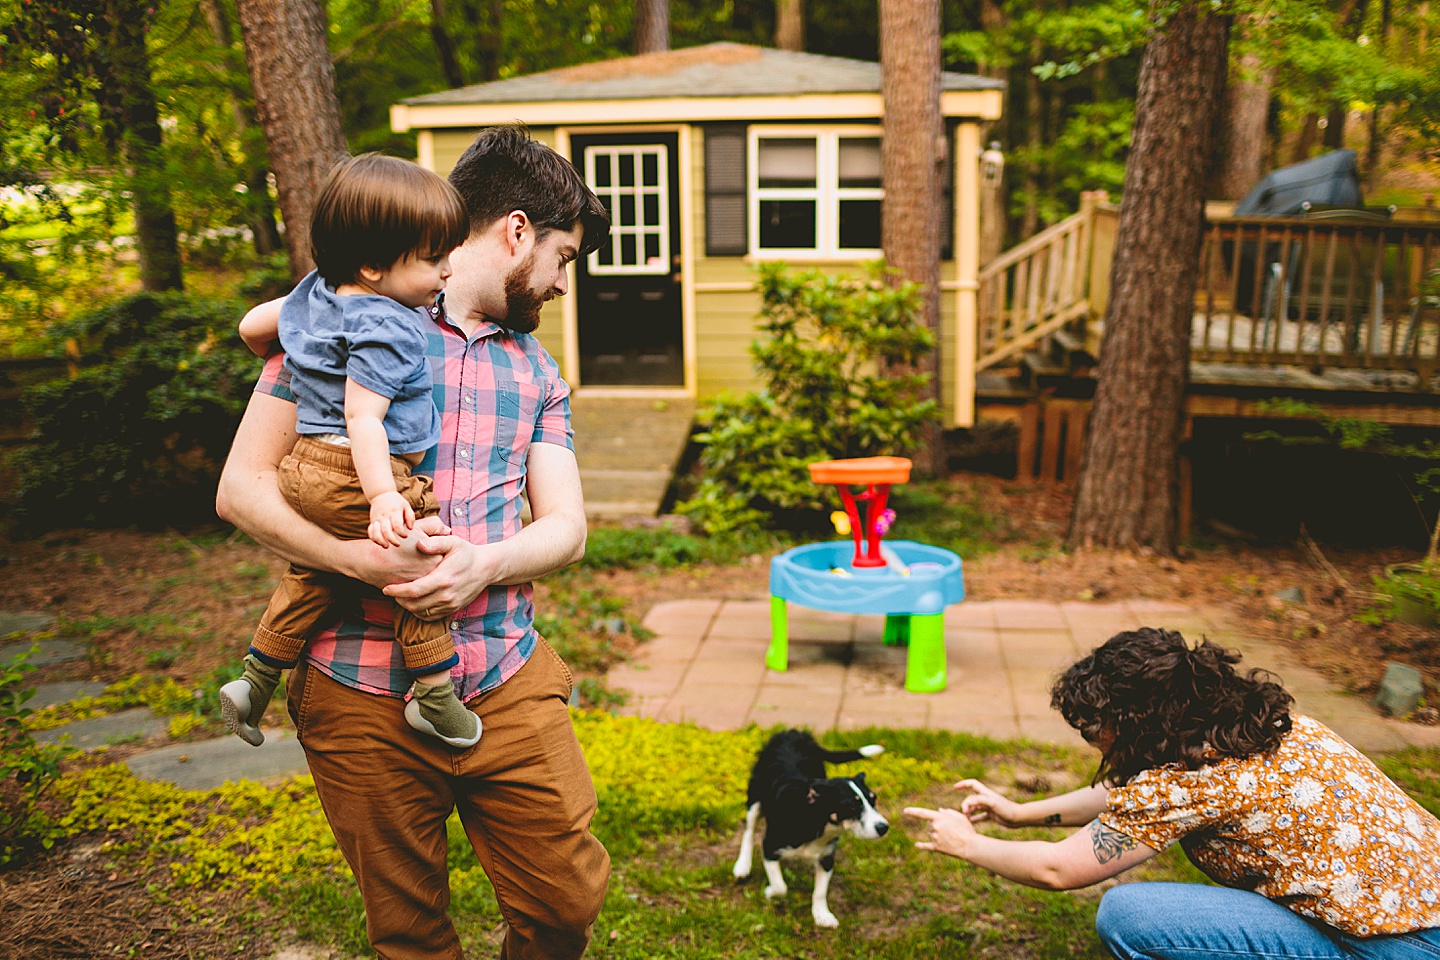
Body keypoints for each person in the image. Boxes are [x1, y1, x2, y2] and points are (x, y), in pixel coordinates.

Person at [215, 125, 611, 960]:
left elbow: (567, 527)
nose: (562, 284)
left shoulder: (539, 375)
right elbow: (240, 489)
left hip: (505, 676)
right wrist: (362, 561)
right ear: (515, 231)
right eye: (564, 257)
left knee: (564, 906)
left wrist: (484, 566)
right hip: (356, 688)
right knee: (408, 933)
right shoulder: (343, 318)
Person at [904, 627, 1440, 960]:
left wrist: (966, 844)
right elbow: (1136, 794)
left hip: (1401, 946)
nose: (1091, 739)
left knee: (1130, 915)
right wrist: (1019, 813)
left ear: (1137, 722)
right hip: (1418, 913)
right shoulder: (1261, 724)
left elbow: (1058, 870)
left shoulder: (1187, 781)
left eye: (1095, 727)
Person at [219, 152, 481, 750]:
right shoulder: (389, 324)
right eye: (433, 259)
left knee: (311, 573)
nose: (448, 271)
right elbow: (365, 416)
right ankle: (435, 697)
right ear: (371, 266)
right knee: (427, 562)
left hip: (304, 467)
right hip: (359, 468)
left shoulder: (316, 295)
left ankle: (256, 678)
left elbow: (252, 328)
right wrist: (385, 495)